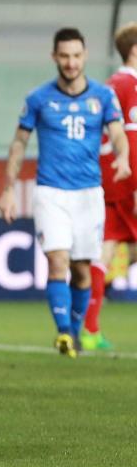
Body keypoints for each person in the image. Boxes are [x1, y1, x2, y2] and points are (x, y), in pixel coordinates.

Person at [0, 27, 129, 359]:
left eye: (76, 56)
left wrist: (123, 157)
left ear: (84, 56)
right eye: (64, 56)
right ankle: (64, 335)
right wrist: (8, 189)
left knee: (82, 269)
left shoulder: (102, 96)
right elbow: (19, 143)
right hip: (51, 193)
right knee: (58, 262)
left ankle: (74, 329)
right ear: (55, 57)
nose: (70, 63)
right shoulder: (39, 99)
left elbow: (117, 133)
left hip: (89, 195)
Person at [86, 22, 137, 350]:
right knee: (107, 248)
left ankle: (89, 326)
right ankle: (89, 324)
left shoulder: (110, 84)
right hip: (126, 179)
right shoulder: (130, 85)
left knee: (108, 248)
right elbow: (131, 137)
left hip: (108, 178)